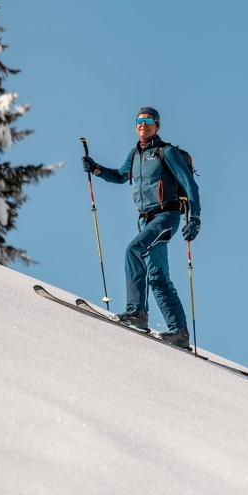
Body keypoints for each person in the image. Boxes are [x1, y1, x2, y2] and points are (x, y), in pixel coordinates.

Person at [81, 107, 201, 348]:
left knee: (133, 250)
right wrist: (96, 169)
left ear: (156, 126)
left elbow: (189, 184)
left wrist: (195, 217)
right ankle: (179, 332)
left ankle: (136, 312)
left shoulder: (167, 152)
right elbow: (120, 176)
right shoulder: (134, 155)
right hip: (145, 220)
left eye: (148, 121)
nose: (142, 125)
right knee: (157, 276)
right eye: (139, 121)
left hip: (166, 216)